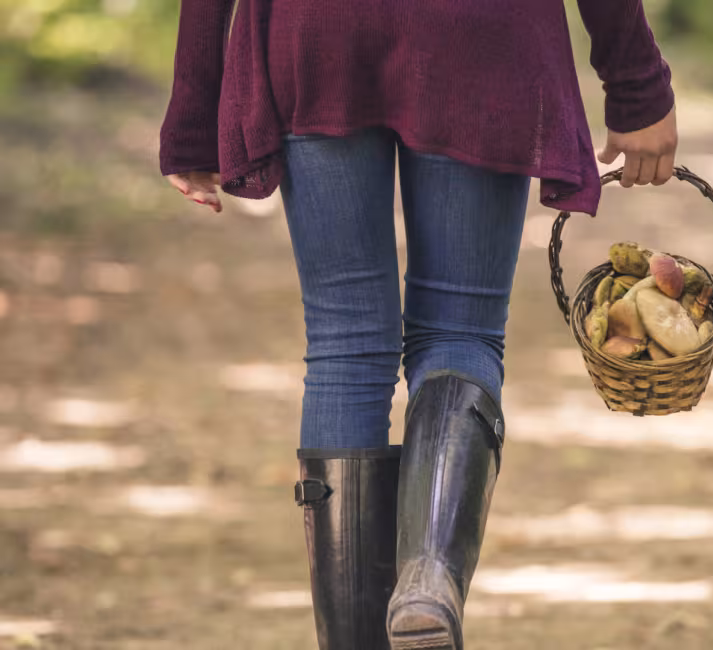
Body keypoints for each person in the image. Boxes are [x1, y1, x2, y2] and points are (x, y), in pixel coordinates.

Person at [159, 1, 677, 648]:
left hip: (316, 32)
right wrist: (636, 84)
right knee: (460, 329)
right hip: (481, 34)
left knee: (345, 342)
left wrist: (191, 112)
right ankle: (430, 578)